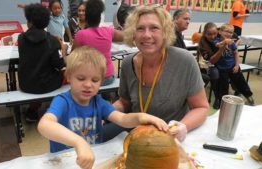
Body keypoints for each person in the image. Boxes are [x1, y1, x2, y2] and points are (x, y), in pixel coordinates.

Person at [37, 46, 169, 169]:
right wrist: (79, 142)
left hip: (93, 158)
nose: (88, 85)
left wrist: (141, 117)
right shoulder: (63, 101)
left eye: (95, 80)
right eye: (81, 78)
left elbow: (122, 119)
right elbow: (44, 125)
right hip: (64, 161)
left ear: (101, 82)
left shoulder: (98, 102)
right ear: (68, 77)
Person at [104, 4, 209, 142]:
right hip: (137, 132)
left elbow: (201, 107)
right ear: (133, 34)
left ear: (165, 32)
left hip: (170, 136)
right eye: (140, 28)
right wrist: (105, 112)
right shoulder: (127, 63)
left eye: (154, 28)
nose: (147, 35)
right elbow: (125, 102)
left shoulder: (184, 61)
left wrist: (184, 126)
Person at [17, 3, 66, 122]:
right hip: (46, 85)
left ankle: (32, 110)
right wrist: (62, 50)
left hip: (25, 84)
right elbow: (59, 65)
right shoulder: (52, 41)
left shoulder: (21, 38)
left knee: (37, 73)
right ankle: (55, 109)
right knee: (67, 76)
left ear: (30, 22)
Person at [199, 23, 254, 107]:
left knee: (239, 78)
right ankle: (220, 99)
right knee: (218, 78)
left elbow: (235, 39)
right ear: (205, 33)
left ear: (218, 31)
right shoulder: (204, 43)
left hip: (231, 65)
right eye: (209, 34)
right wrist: (224, 44)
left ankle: (248, 95)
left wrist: (237, 64)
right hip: (212, 64)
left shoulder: (226, 34)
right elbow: (212, 59)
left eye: (214, 34)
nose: (213, 36)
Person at [72, 0, 124, 86]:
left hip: (91, 79)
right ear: (100, 17)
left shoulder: (81, 34)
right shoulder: (109, 31)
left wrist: (64, 48)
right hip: (108, 77)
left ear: (86, 17)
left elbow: (72, 57)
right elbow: (126, 36)